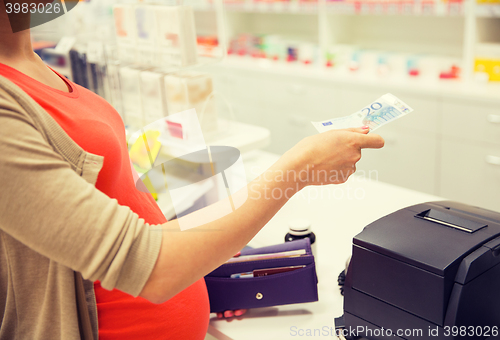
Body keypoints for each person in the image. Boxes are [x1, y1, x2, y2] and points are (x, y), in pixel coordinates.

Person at [0, 3, 385, 340]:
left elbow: (112, 199)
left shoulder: (29, 55)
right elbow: (145, 263)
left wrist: (206, 250)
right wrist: (298, 169)